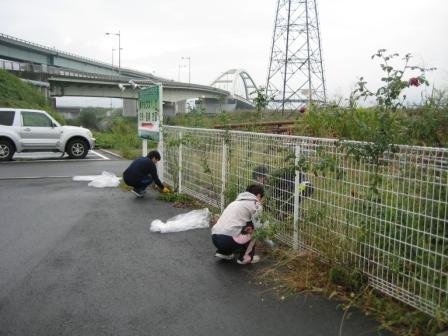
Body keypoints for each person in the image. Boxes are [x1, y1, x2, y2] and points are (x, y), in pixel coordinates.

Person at [211, 184, 264, 265]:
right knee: (253, 230)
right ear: (259, 196)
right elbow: (259, 226)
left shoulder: (236, 201)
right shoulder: (255, 203)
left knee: (239, 225)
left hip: (215, 237)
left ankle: (224, 253)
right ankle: (246, 258)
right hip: (228, 240)